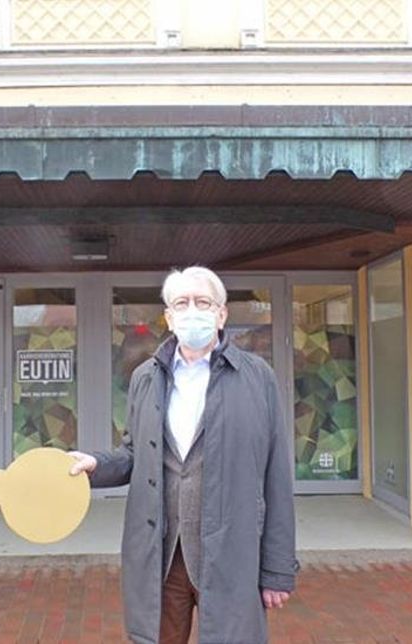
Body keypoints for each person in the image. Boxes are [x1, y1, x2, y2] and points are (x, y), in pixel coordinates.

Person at [69, 266, 298, 644]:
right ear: (170, 317)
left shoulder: (257, 377)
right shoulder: (146, 376)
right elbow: (133, 453)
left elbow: (275, 476)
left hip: (231, 555)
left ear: (221, 313)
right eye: (182, 303)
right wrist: (96, 465)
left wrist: (277, 571)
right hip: (162, 559)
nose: (193, 310)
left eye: (203, 302)